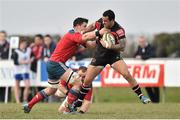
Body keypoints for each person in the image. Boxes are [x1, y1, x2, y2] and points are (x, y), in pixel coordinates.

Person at [23, 17, 108, 113]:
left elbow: (91, 45)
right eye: (84, 26)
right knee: (78, 82)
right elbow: (86, 37)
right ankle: (68, 110)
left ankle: (29, 105)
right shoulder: (72, 33)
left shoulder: (77, 36)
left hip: (51, 64)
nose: (85, 28)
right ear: (77, 26)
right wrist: (99, 32)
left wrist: (101, 40)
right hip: (56, 63)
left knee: (51, 90)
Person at [70, 10, 151, 110]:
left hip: (113, 56)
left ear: (112, 20)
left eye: (106, 21)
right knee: (87, 80)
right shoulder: (101, 22)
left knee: (126, 74)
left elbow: (122, 47)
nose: (103, 22)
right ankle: (78, 102)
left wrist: (109, 45)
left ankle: (141, 96)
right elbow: (92, 26)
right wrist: (83, 31)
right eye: (103, 20)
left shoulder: (119, 30)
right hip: (100, 55)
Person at [134, 36, 160, 103]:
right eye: (140, 42)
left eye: (142, 42)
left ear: (145, 41)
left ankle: (157, 101)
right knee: (147, 86)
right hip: (145, 71)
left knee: (155, 86)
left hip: (153, 69)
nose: (141, 43)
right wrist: (137, 57)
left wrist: (141, 57)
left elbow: (152, 55)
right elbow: (135, 55)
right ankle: (153, 101)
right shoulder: (139, 48)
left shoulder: (151, 47)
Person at [11, 39, 31, 103]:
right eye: (22, 44)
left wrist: (31, 59)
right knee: (17, 86)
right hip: (17, 70)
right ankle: (17, 101)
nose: (24, 45)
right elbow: (15, 62)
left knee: (27, 85)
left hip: (25, 70)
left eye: (25, 44)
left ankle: (25, 100)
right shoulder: (16, 51)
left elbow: (33, 56)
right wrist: (24, 62)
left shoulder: (28, 50)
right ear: (19, 44)